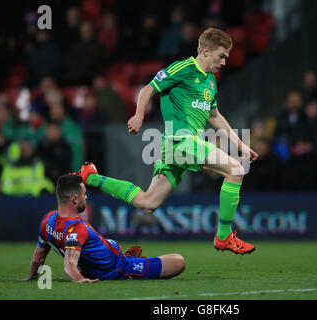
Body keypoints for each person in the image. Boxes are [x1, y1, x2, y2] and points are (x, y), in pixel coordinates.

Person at [74, 28, 258, 255]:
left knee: (147, 203)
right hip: (181, 141)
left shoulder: (210, 81)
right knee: (236, 170)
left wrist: (241, 145)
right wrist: (139, 114)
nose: (224, 62)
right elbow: (148, 89)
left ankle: (92, 177)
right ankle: (223, 236)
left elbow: (214, 117)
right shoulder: (183, 68)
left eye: (226, 58)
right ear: (207, 51)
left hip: (182, 147)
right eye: (221, 56)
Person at [27, 174, 185, 282]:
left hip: (96, 260)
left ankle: (122, 252)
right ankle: (129, 258)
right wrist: (80, 280)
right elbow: (69, 264)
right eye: (84, 194)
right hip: (121, 268)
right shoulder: (76, 228)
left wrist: (31, 277)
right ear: (75, 199)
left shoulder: (47, 220)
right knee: (179, 262)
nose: (86, 197)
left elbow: (37, 259)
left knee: (112, 244)